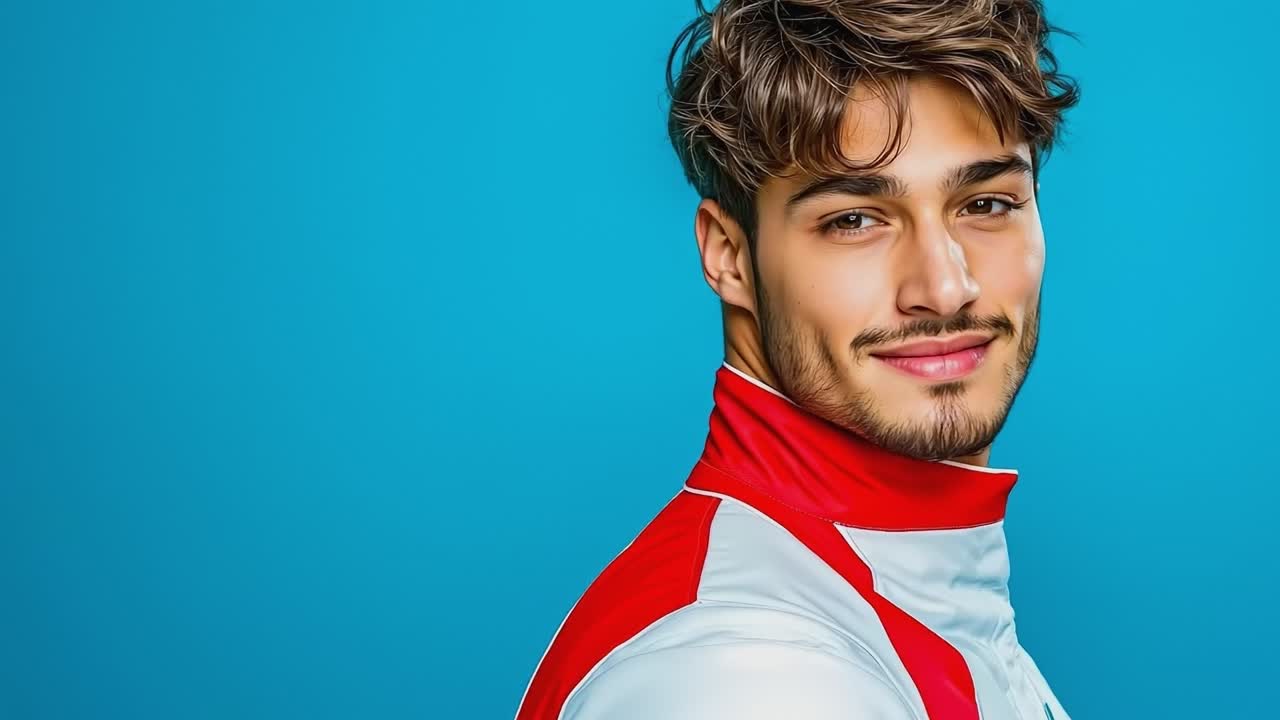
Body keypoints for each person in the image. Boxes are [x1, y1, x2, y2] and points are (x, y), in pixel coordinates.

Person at [516, 0, 1081, 717]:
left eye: (987, 204)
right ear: (730, 256)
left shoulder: (898, 607)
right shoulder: (754, 676)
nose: (945, 288)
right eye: (853, 220)